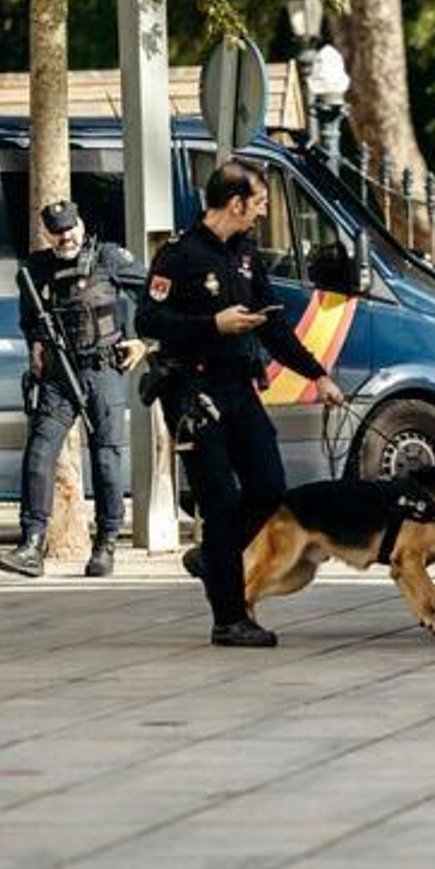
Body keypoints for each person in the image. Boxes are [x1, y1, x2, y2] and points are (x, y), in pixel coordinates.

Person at [137, 160, 345, 648]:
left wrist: (317, 375)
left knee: (270, 486)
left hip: (239, 388)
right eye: (259, 203)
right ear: (236, 202)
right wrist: (213, 325)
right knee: (222, 505)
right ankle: (229, 618)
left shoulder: (246, 254)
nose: (261, 212)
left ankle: (215, 557)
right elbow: (149, 320)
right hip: (193, 393)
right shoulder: (178, 256)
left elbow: (273, 325)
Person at [0, 200, 142, 578]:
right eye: (58, 232)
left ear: (81, 223)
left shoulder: (109, 258)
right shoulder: (37, 269)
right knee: (40, 451)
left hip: (104, 368)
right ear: (47, 234)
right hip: (61, 376)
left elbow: (154, 297)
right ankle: (31, 544)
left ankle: (106, 543)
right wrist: (36, 346)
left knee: (106, 456)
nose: (66, 237)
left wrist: (143, 341)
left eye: (71, 229)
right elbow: (30, 319)